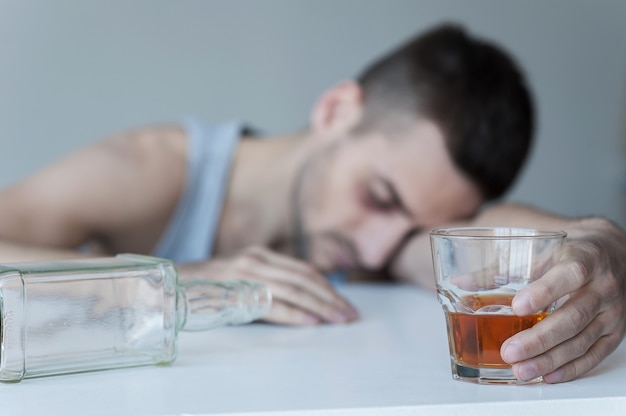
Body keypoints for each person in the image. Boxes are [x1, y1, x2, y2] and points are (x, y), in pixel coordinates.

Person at [0, 24, 624, 384]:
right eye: (380, 197)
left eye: (423, 226)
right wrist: (174, 281)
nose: (380, 248)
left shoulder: (385, 236)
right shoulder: (147, 169)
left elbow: (492, 235)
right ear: (334, 112)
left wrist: (602, 240)